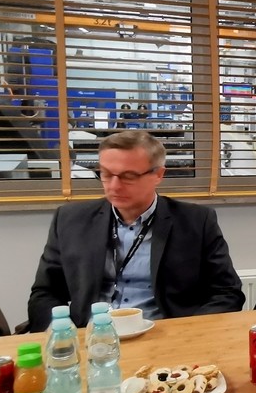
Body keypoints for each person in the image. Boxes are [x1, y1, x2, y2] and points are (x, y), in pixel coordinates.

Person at [28, 130, 243, 328]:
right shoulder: (71, 220)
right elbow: (44, 293)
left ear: (158, 174)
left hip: (164, 336)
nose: (114, 186)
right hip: (92, 337)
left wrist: (186, 333)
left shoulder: (196, 221)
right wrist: (62, 333)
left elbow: (227, 293)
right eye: (106, 174)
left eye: (128, 176)